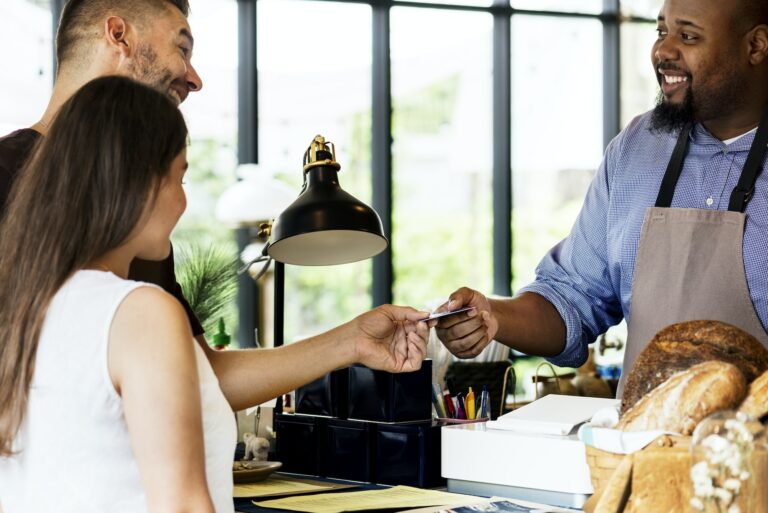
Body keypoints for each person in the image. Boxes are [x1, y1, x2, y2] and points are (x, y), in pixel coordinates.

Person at [0, 76, 429, 513]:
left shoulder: (24, 308)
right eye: (179, 178)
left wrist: (353, 340)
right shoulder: (140, 313)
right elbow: (182, 506)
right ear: (137, 182)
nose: (183, 202)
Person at [0, 0, 428, 418]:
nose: (195, 79)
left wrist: (351, 341)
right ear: (118, 35)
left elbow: (201, 376)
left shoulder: (136, 222)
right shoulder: (8, 175)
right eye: (181, 49)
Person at [435, 0, 768, 398]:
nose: (663, 50)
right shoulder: (636, 149)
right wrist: (490, 316)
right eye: (661, 31)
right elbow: (571, 298)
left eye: (688, 35)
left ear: (756, 45)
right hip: (642, 453)